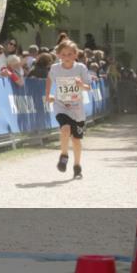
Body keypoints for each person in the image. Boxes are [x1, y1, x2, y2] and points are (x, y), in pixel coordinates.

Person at [46, 39, 93, 178]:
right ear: (59, 55)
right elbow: (49, 79)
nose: (67, 57)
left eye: (70, 54)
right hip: (61, 105)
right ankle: (64, 155)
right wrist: (48, 94)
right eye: (64, 54)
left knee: (76, 140)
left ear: (75, 55)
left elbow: (88, 87)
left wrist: (81, 85)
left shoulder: (81, 68)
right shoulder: (55, 68)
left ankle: (77, 166)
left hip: (77, 109)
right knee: (65, 129)